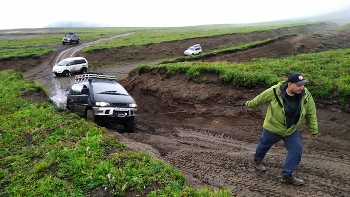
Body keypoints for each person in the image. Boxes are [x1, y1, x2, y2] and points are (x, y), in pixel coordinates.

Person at [244, 73, 318, 186]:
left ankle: (287, 175)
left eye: (303, 84)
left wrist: (313, 130)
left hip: (291, 130)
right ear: (289, 84)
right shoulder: (274, 91)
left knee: (297, 150)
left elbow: (311, 113)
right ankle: (257, 160)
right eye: (298, 85)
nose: (301, 87)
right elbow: (259, 99)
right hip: (273, 127)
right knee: (264, 145)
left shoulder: (306, 95)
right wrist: (247, 104)